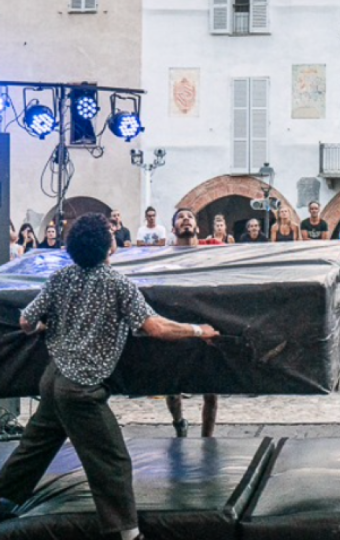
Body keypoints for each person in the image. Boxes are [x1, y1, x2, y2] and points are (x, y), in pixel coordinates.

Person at [0, 213, 218, 534]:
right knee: (111, 462)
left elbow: (25, 322)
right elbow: (155, 327)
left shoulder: (60, 279)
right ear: (109, 248)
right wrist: (199, 329)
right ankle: (126, 533)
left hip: (53, 379)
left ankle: (4, 499)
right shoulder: (117, 285)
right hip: (81, 391)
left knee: (33, 448)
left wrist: (45, 324)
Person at [164, 208, 218, 438]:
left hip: (203, 323)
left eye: (190, 218)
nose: (185, 220)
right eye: (180, 218)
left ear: (197, 228)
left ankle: (207, 438)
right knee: (171, 386)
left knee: (211, 389)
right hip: (177, 324)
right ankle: (179, 423)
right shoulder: (165, 257)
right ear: (174, 229)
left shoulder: (209, 255)